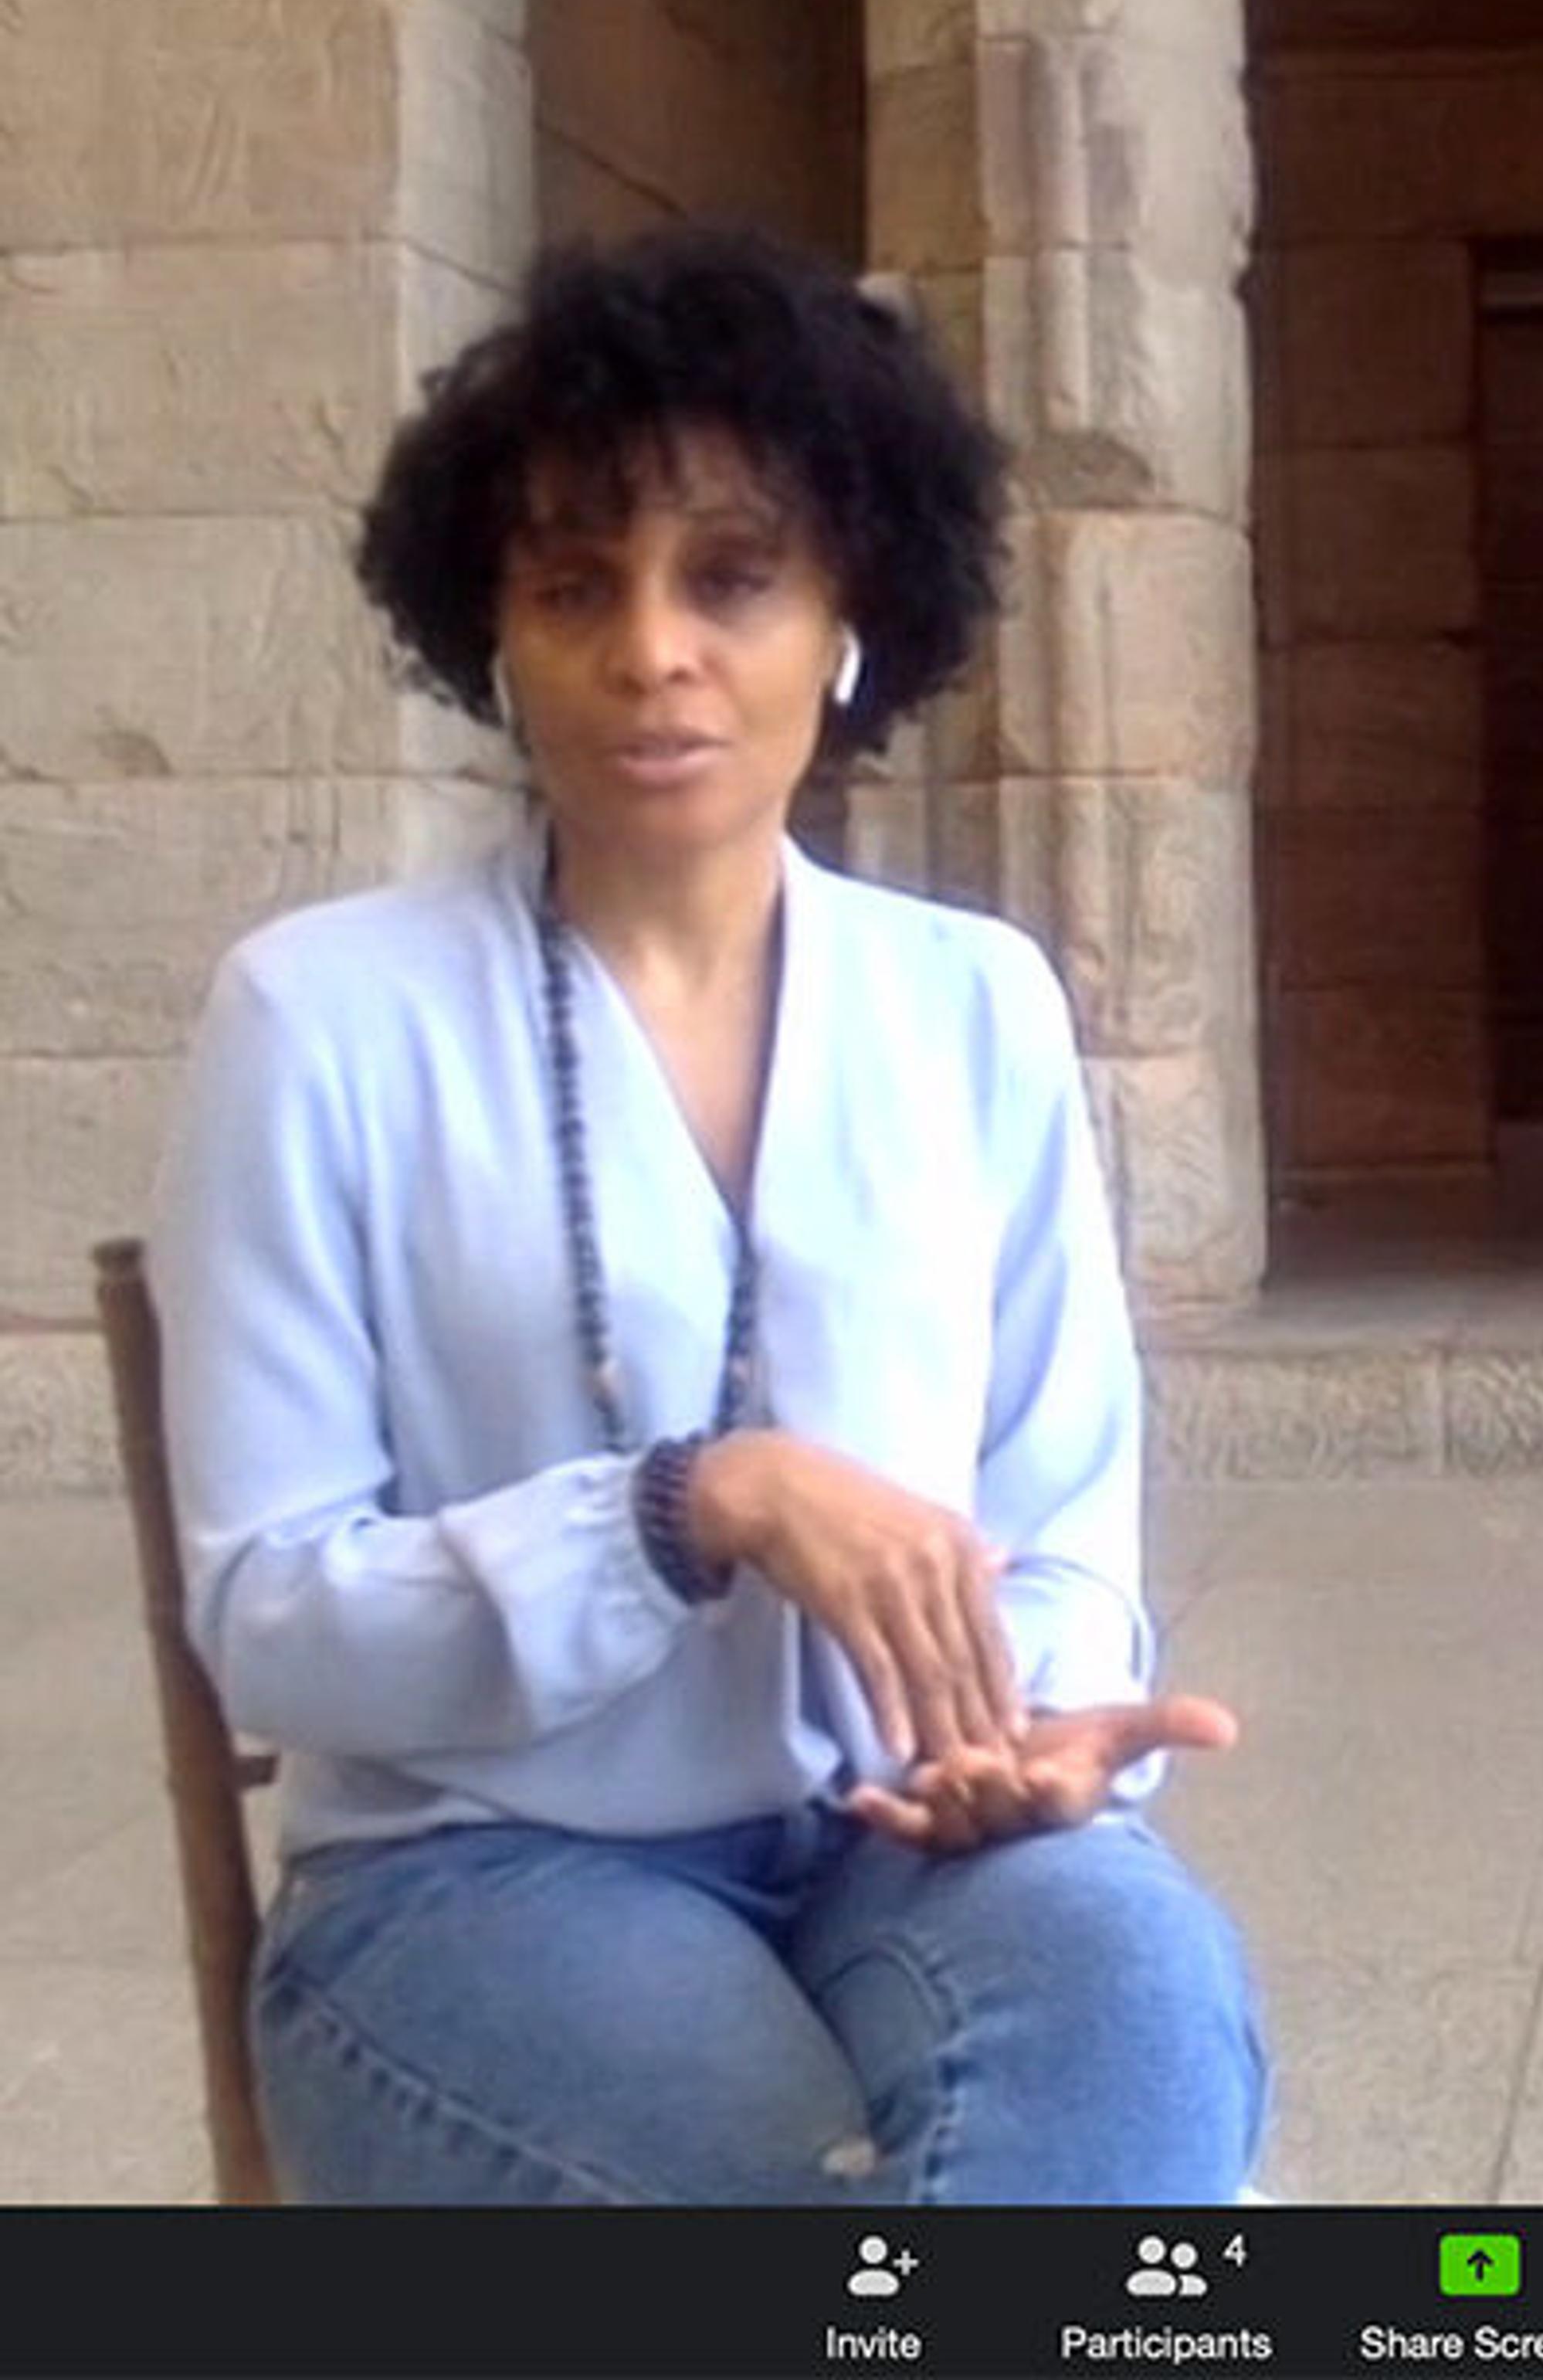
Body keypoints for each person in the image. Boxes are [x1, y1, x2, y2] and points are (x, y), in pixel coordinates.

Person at [144, 224, 1270, 2205]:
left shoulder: (971, 1003)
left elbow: (1059, 1500)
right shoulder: (319, 1018)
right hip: (473, 1876)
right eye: (577, 586)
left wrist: (1035, 1722)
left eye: (730, 578)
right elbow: (273, 1628)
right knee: (802, 2202)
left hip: (903, 1841)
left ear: (850, 619)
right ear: (491, 634)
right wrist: (689, 1506)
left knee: (1145, 2024)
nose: (653, 648)